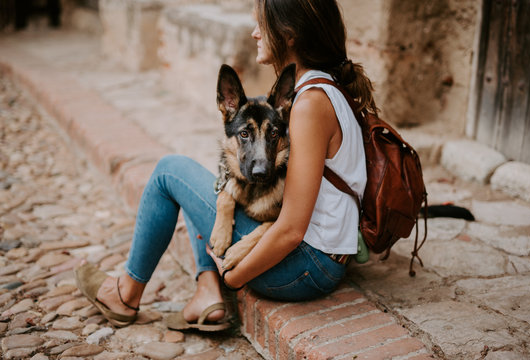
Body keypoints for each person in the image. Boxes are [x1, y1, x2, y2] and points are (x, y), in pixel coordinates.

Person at [75, 0, 377, 330]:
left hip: (304, 268)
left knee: (168, 171)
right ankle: (206, 292)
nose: (254, 33)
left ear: (288, 34)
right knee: (213, 185)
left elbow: (291, 229)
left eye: (260, 24)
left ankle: (126, 294)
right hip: (320, 263)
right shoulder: (321, 89)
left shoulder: (309, 104)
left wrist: (235, 278)